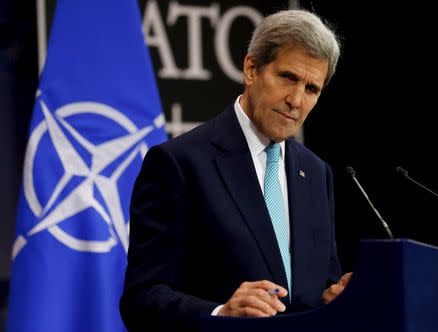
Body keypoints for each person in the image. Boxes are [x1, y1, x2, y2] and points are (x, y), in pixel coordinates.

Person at [120, 7, 351, 332]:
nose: (296, 100)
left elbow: (320, 286)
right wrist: (220, 313)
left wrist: (336, 298)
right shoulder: (180, 164)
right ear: (251, 68)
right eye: (288, 77)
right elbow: (142, 300)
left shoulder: (315, 173)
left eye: (312, 89)